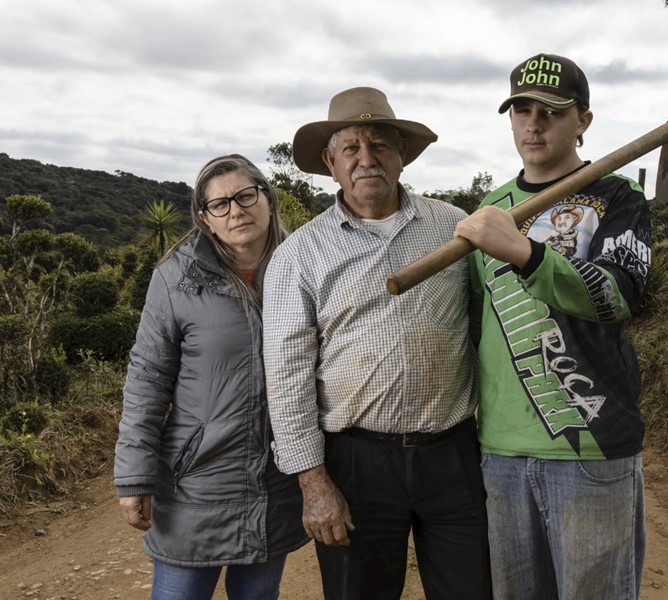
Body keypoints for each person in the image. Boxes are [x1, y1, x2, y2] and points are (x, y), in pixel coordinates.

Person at [262, 86, 490, 600]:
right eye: (352, 148)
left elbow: (485, 328)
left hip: (452, 455)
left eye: (381, 145)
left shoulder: (453, 228)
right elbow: (287, 376)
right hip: (355, 465)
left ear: (401, 155)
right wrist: (314, 484)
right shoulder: (300, 255)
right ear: (330, 161)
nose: (367, 159)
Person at [454, 53, 650, 600]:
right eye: (521, 110)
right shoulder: (490, 209)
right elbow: (477, 324)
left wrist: (527, 254)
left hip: (591, 445)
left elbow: (619, 295)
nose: (533, 124)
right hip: (502, 451)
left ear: (583, 120)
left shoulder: (617, 198)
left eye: (551, 111)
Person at [114, 154, 307, 600]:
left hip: (274, 480)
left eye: (244, 196)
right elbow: (146, 379)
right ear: (205, 218)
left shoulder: (302, 266)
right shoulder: (176, 278)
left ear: (267, 198)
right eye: (219, 204)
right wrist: (134, 477)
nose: (235, 210)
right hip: (195, 480)